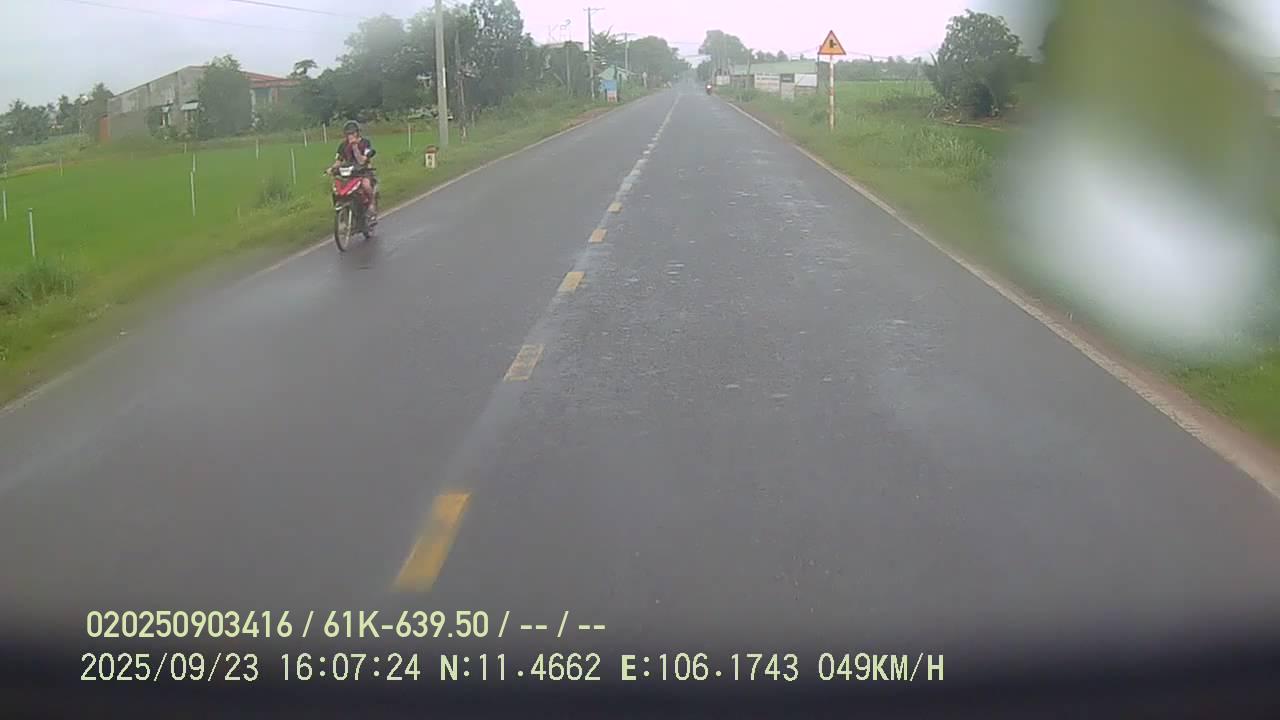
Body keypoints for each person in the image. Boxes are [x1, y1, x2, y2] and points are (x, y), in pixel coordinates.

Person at [330, 120, 377, 224]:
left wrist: (355, 147)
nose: (350, 136)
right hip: (349, 174)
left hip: (363, 172)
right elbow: (338, 161)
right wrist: (331, 169)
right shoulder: (343, 145)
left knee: (366, 185)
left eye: (353, 133)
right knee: (336, 189)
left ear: (357, 133)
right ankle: (342, 210)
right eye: (348, 133)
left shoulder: (365, 143)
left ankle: (371, 205)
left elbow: (361, 161)